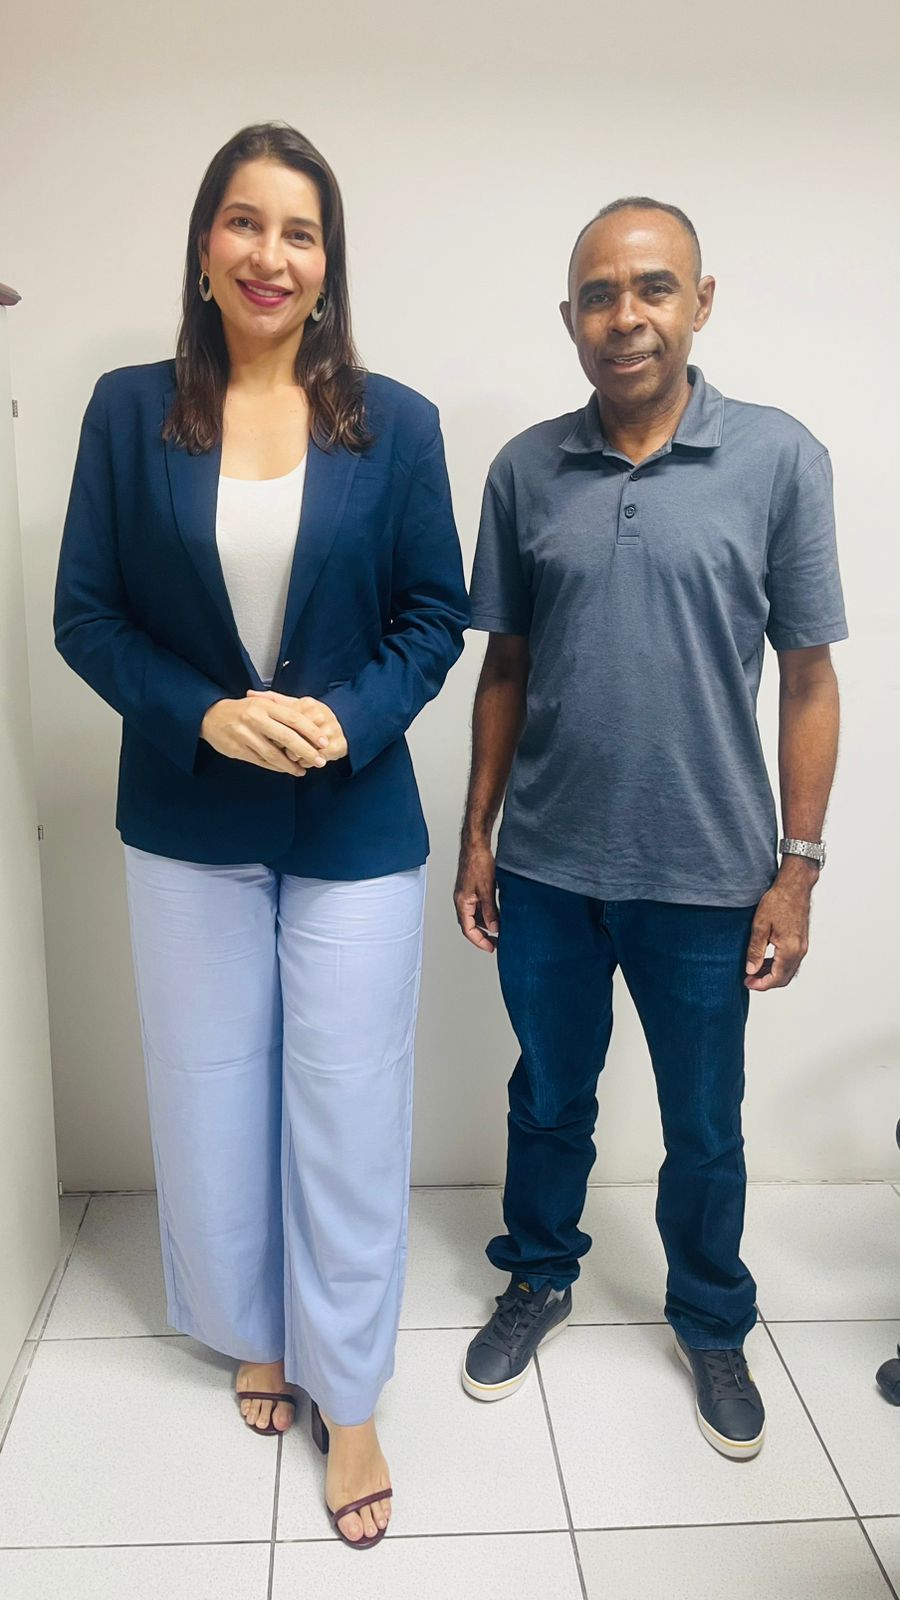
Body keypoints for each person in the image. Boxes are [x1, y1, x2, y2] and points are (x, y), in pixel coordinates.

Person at [55, 122, 468, 1549]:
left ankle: (350, 1394)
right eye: (245, 221)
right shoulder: (128, 412)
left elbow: (434, 617)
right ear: (204, 245)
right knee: (212, 1089)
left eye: (300, 231)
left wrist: (344, 721)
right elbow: (87, 615)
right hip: (187, 814)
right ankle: (256, 1328)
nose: (270, 254)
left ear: (328, 263)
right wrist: (207, 715)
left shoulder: (399, 424)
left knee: (347, 1101)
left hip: (354, 817)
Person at [454, 197, 846, 1461]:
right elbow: (504, 667)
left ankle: (713, 1318)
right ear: (569, 317)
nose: (625, 317)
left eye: (654, 287)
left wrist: (796, 869)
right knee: (548, 1095)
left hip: (707, 874)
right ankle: (539, 1272)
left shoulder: (779, 458)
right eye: (599, 295)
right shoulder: (525, 470)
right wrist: (477, 835)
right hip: (546, 868)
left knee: (706, 1125)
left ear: (702, 300)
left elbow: (810, 678)